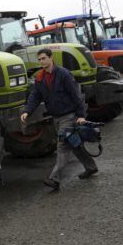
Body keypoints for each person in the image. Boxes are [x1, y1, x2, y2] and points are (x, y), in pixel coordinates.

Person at [20, 48, 98, 190]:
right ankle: (91, 167)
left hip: (68, 116)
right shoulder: (40, 78)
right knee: (74, 144)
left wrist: (81, 115)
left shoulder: (63, 74)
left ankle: (54, 179)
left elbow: (76, 95)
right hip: (55, 118)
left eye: (44, 58)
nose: (42, 61)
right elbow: (35, 96)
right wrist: (27, 111)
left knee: (62, 146)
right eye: (39, 59)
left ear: (51, 58)